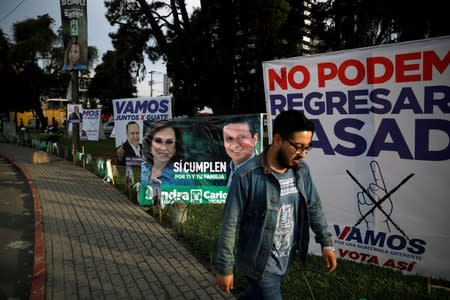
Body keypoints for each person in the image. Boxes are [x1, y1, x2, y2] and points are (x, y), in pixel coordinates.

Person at [216, 110, 337, 299]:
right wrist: (225, 267)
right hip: (261, 265)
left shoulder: (301, 171)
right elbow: (230, 225)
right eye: (298, 147)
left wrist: (326, 244)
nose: (303, 154)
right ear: (278, 139)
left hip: (286, 260)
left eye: (307, 147)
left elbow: (313, 206)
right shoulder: (246, 176)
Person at [140, 120, 193, 206]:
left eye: (169, 142)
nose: (163, 148)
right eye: (158, 141)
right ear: (150, 145)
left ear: (175, 147)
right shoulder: (142, 168)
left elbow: (187, 210)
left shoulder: (183, 177)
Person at [222, 116, 259, 186]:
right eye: (229, 139)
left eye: (241, 137)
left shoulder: (265, 173)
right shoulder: (221, 173)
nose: (235, 144)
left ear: (255, 139)